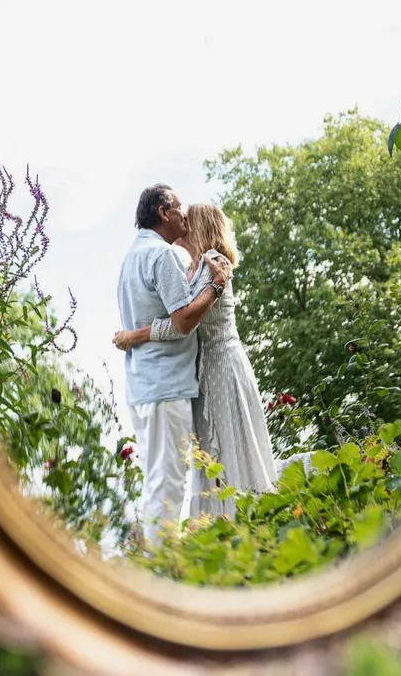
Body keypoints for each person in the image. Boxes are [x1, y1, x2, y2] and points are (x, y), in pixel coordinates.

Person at [113, 202, 275, 520]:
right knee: (212, 452)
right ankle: (218, 524)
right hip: (205, 371)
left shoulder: (214, 263)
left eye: (189, 218)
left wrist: (135, 335)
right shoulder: (195, 268)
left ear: (200, 226)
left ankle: (241, 519)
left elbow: (183, 323)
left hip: (222, 367)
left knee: (228, 446)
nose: (183, 223)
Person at [115, 184, 232, 546]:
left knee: (157, 480)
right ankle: (163, 563)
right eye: (179, 208)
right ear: (163, 212)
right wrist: (216, 287)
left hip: (143, 385)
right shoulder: (161, 255)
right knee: (169, 483)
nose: (184, 215)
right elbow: (183, 322)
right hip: (166, 386)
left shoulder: (131, 257)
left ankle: (157, 556)